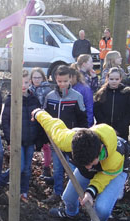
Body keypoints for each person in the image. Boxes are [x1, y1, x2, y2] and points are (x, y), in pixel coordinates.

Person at [32, 109, 128, 221]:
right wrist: (38, 113)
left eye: (90, 163)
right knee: (68, 198)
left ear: (99, 151)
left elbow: (104, 177)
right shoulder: (67, 140)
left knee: (102, 208)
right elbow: (53, 124)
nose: (88, 167)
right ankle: (71, 214)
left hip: (114, 172)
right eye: (84, 164)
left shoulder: (115, 158)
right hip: (96, 164)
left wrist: (91, 191)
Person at [0, 69, 41, 202]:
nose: (23, 85)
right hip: (17, 140)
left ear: (29, 82)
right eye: (20, 82)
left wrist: (38, 139)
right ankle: (0, 181)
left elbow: (39, 121)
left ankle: (23, 191)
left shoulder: (34, 99)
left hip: (30, 140)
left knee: (27, 168)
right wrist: (10, 139)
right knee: (19, 166)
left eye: (25, 82)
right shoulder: (11, 99)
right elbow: (5, 121)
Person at [43, 65, 87, 203]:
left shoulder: (77, 97)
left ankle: (75, 196)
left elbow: (82, 119)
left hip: (71, 141)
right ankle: (57, 193)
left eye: (65, 81)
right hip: (55, 140)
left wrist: (81, 138)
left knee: (73, 169)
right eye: (59, 81)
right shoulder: (50, 97)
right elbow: (46, 119)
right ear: (55, 80)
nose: (62, 84)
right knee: (57, 169)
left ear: (70, 80)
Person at [94, 67, 130, 141]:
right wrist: (107, 128)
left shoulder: (127, 93)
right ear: (107, 78)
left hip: (121, 131)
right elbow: (97, 112)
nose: (114, 81)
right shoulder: (101, 93)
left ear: (120, 79)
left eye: (116, 79)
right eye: (111, 79)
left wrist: (119, 129)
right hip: (104, 130)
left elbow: (129, 113)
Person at [29, 67, 53, 177]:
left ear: (43, 78)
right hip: (31, 120)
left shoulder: (47, 90)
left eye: (39, 77)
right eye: (34, 77)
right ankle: (28, 167)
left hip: (43, 120)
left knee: (45, 145)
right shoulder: (29, 89)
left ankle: (47, 167)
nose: (37, 80)